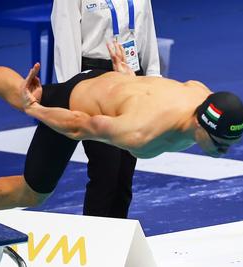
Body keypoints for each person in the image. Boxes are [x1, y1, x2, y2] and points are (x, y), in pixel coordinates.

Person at [0, 44, 243, 256]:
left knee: (32, 92)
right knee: (33, 191)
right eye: (220, 146)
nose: (225, 152)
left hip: (103, 85)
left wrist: (128, 80)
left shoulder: (203, 94)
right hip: (82, 106)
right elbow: (80, 125)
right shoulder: (142, 133)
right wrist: (34, 110)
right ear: (200, 125)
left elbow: (152, 91)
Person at [51, 0, 161, 218]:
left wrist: (154, 83)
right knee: (105, 173)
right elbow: (65, 41)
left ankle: (117, 244)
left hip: (133, 79)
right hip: (95, 83)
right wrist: (70, 93)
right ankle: (96, 246)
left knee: (124, 176)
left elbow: (147, 30)